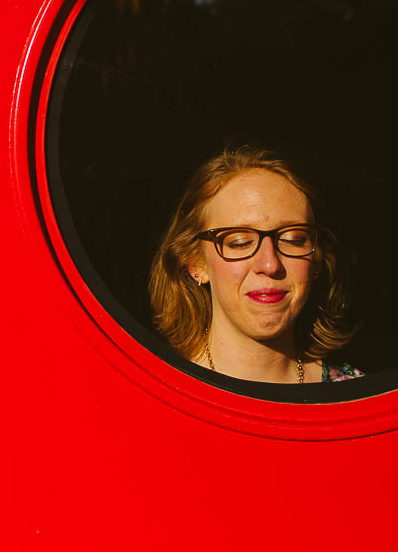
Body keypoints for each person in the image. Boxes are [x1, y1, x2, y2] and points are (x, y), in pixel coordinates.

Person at [148, 146, 360, 384]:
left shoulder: (355, 396)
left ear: (317, 260)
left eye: (293, 239)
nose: (270, 264)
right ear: (195, 263)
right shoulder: (156, 390)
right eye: (239, 242)